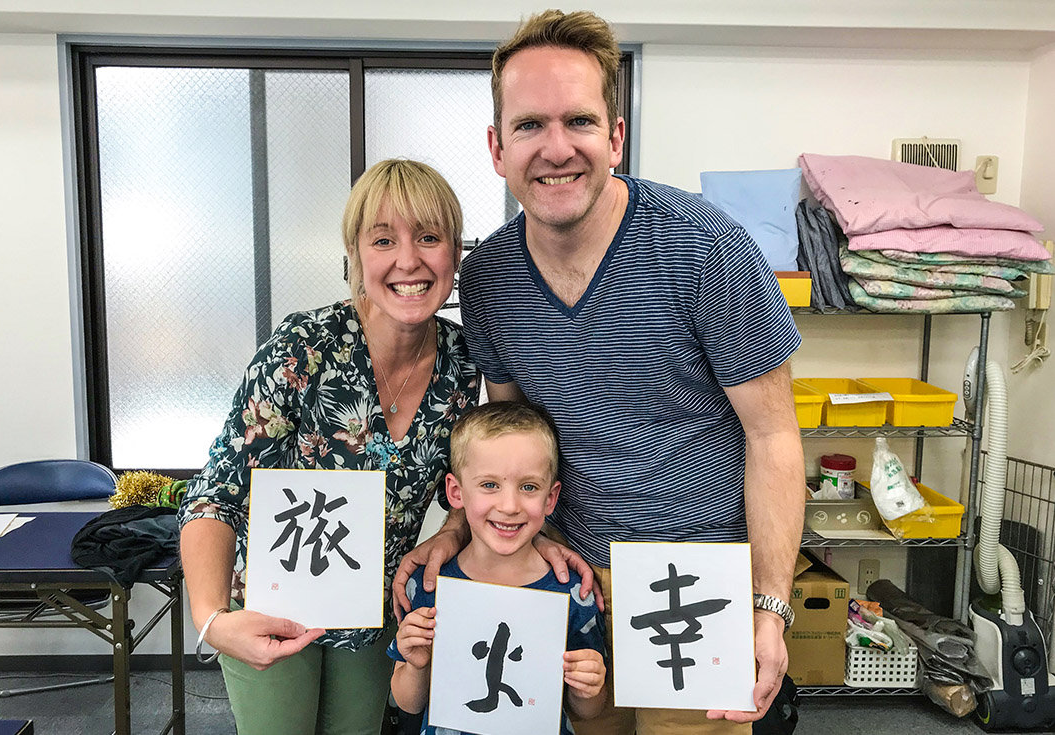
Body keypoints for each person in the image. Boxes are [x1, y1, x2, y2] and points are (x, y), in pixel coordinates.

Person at [395, 10, 805, 735]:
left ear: (615, 136)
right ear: (497, 147)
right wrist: (461, 528)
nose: (556, 148)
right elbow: (512, 440)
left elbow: (773, 437)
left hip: (695, 583)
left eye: (579, 121)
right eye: (529, 125)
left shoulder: (706, 246)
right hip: (568, 578)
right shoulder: (488, 277)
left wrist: (770, 609)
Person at [177, 158, 481, 735]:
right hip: (269, 606)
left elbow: (471, 488)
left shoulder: (463, 362)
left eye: (429, 237)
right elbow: (215, 494)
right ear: (355, 255)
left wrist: (448, 533)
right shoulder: (305, 347)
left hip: (373, 611)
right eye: (383, 240)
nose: (408, 261)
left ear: (455, 253)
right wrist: (211, 618)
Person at [389, 401, 607, 734]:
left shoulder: (574, 592)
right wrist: (417, 665)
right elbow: (408, 702)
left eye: (529, 487)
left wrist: (587, 686)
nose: (509, 506)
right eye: (490, 485)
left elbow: (588, 710)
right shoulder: (430, 584)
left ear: (551, 498)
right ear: (456, 492)